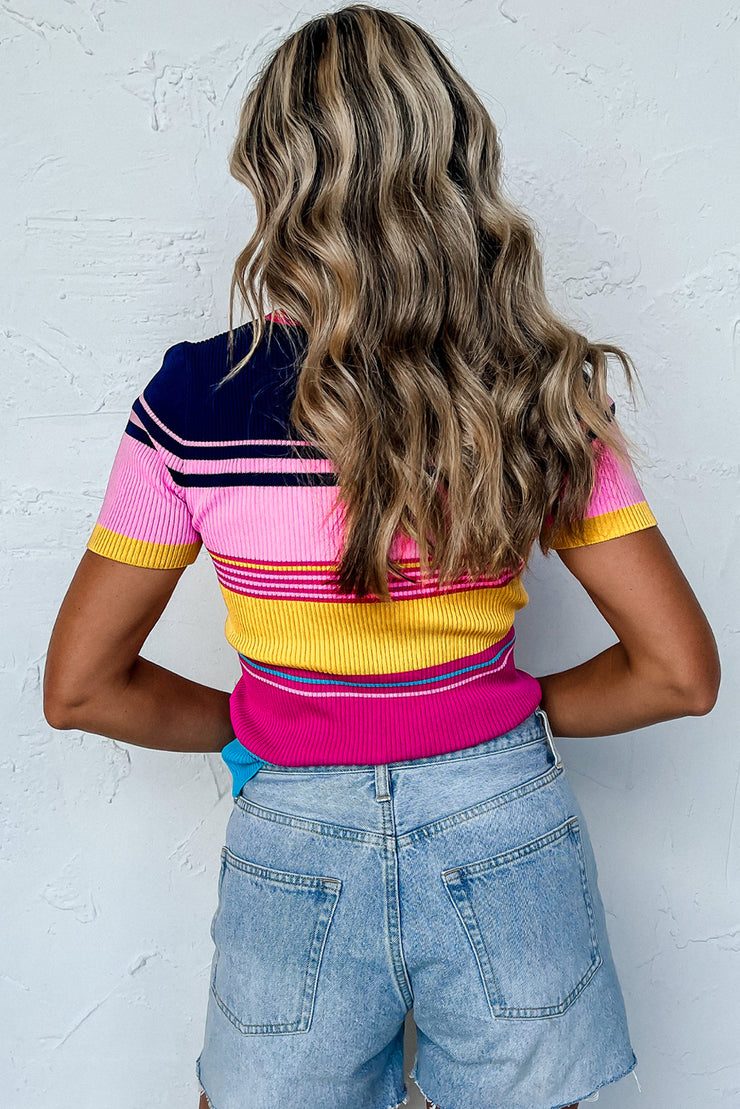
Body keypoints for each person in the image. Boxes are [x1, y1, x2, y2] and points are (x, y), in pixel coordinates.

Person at [43, 5, 720, 1109]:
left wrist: (266, 723)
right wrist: (493, 711)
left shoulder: (193, 402)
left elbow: (79, 688)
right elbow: (678, 673)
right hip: (505, 821)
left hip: (294, 835)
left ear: (274, 177)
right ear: (456, 163)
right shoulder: (538, 389)